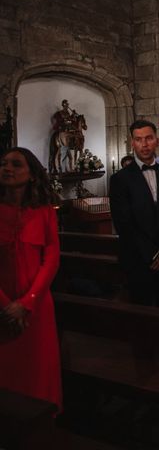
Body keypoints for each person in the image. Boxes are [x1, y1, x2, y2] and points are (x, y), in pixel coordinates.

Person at [0, 147, 61, 410]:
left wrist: (27, 302)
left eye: (16, 164)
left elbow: (52, 257)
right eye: (3, 164)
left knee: (37, 370)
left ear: (32, 174)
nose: (7, 168)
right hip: (2, 305)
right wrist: (5, 305)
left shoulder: (45, 211)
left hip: (36, 305)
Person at [109, 120, 159, 308]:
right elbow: (124, 224)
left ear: (157, 141)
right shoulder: (120, 180)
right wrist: (154, 254)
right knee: (145, 321)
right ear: (132, 143)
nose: (144, 144)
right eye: (139, 139)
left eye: (149, 138)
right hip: (139, 261)